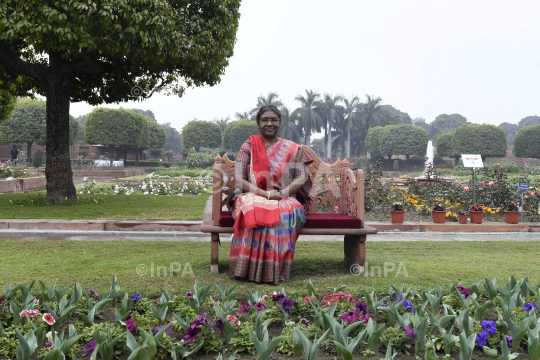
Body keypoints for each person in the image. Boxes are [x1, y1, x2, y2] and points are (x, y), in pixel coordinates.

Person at [229, 105, 313, 284]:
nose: (269, 123)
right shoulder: (248, 146)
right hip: (252, 195)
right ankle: (250, 269)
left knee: (287, 210)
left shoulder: (293, 148)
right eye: (264, 120)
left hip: (283, 196)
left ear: (280, 123)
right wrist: (266, 196)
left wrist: (281, 194)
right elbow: (239, 181)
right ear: (258, 124)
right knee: (256, 207)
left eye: (273, 119)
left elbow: (301, 177)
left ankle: (273, 269)